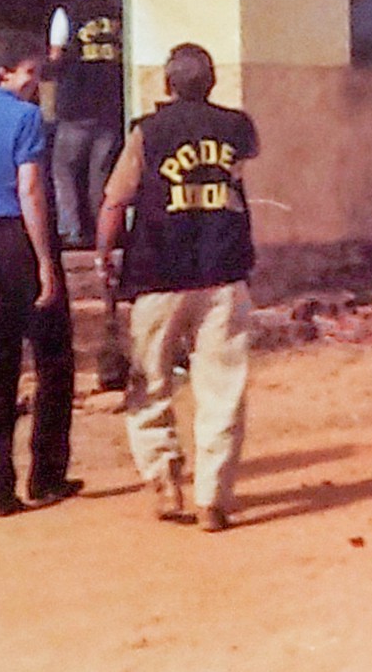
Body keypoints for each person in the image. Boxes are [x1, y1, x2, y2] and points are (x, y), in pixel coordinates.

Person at [95, 43, 256, 531]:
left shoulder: (147, 132)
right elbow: (233, 177)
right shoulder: (238, 128)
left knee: (150, 383)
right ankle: (213, 498)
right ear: (212, 83)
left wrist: (104, 254)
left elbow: (114, 202)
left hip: (157, 272)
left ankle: (164, 480)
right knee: (222, 387)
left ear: (168, 85)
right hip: (223, 270)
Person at [0, 28, 81, 517]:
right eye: (30, 73)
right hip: (20, 241)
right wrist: (46, 261)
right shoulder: (27, 118)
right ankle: (46, 476)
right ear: (4, 72)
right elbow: (30, 189)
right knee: (52, 362)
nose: (35, 83)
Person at [49, 0, 124, 249]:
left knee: (64, 170)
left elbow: (56, 56)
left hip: (75, 106)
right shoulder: (118, 13)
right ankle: (103, 233)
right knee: (100, 174)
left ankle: (71, 231)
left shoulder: (65, 12)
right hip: (108, 105)